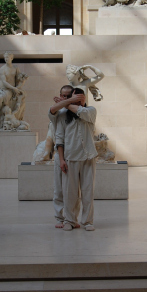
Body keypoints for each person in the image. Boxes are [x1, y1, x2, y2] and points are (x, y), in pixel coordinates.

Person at [56, 87, 98, 231]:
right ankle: (69, 220)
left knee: (88, 192)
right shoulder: (62, 115)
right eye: (75, 97)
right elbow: (59, 138)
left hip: (88, 157)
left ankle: (87, 221)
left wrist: (65, 102)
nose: (78, 100)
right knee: (70, 193)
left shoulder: (90, 111)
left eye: (81, 97)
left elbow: (81, 112)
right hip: (70, 157)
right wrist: (61, 159)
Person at [48, 85, 86, 228]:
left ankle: (72, 218)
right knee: (59, 189)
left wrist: (67, 103)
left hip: (73, 154)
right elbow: (52, 110)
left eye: (67, 96)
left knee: (72, 190)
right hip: (60, 153)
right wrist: (63, 103)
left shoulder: (75, 111)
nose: (64, 98)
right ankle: (60, 218)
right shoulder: (58, 111)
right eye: (62, 96)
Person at [0, 51, 23, 131]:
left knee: (0, 99)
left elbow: (20, 79)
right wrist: (14, 88)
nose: (6, 59)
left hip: (8, 90)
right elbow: (4, 82)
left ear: (11, 58)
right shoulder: (2, 69)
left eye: (8, 57)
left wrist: (22, 80)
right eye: (5, 57)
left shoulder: (15, 68)